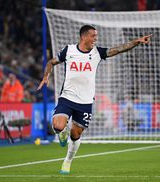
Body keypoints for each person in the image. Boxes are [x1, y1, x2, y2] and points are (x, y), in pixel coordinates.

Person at [37, 25, 152, 174]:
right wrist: (46, 76)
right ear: (84, 36)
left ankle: (68, 161)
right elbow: (51, 62)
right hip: (67, 97)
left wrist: (137, 41)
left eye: (96, 36)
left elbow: (118, 49)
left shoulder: (97, 52)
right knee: (58, 125)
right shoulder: (69, 50)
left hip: (85, 102)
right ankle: (62, 132)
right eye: (93, 36)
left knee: (75, 134)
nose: (95, 39)